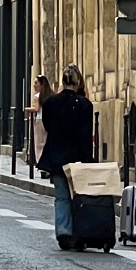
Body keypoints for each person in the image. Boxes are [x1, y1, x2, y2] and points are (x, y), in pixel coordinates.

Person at [39, 65, 96, 249]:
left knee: (62, 197)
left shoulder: (50, 103)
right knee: (79, 198)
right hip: (77, 158)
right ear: (78, 82)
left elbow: (47, 126)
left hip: (56, 156)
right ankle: (79, 233)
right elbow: (86, 135)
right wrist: (88, 159)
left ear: (62, 82)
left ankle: (64, 231)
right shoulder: (85, 105)